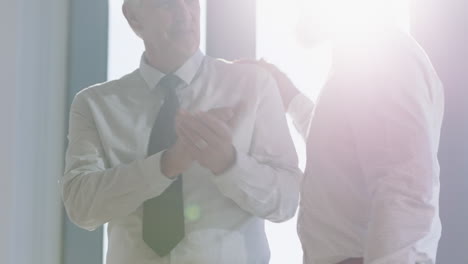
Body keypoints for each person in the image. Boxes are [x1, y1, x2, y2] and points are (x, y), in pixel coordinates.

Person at [60, 0, 301, 263]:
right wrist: (165, 165)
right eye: (167, 4)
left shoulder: (253, 85)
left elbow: (287, 202)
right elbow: (81, 207)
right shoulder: (95, 104)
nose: (185, 14)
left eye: (191, 2)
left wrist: (227, 163)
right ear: (133, 17)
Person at [252, 3, 444, 264]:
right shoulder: (362, 61)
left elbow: (405, 192)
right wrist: (290, 97)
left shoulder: (383, 58)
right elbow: (340, 156)